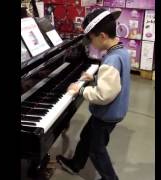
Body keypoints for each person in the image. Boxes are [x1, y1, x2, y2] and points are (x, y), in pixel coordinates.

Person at [56, 8, 131, 180]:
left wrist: (81, 89)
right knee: (86, 136)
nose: (90, 44)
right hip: (112, 111)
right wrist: (96, 76)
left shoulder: (111, 60)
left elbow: (103, 95)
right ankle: (75, 164)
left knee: (97, 150)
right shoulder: (120, 51)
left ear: (102, 36)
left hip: (106, 114)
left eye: (90, 39)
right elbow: (114, 78)